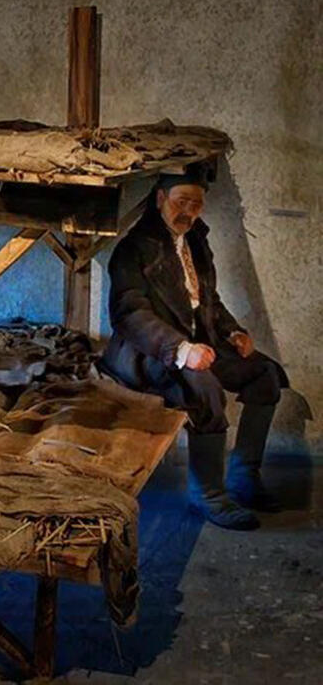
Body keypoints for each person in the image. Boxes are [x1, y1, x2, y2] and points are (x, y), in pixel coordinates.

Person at [102, 164, 286, 530]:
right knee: (204, 388)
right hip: (148, 352)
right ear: (160, 199)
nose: (188, 211)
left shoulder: (196, 242)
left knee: (264, 374)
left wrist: (232, 332)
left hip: (199, 342)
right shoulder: (132, 249)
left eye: (196, 204)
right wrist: (181, 350)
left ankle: (244, 478)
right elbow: (129, 315)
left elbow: (209, 299)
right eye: (181, 201)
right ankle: (209, 496)